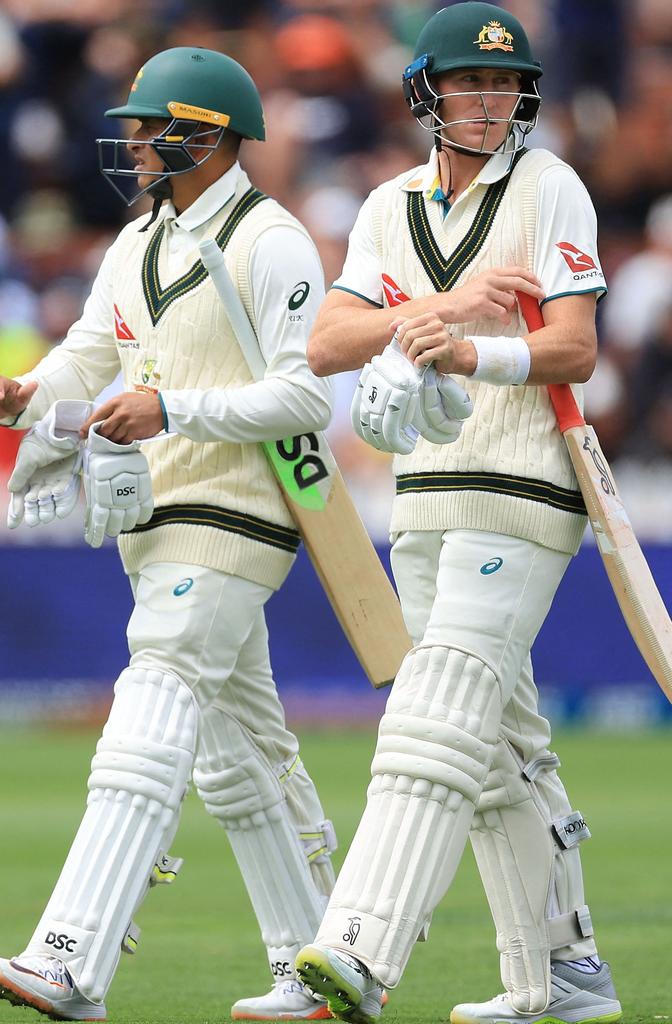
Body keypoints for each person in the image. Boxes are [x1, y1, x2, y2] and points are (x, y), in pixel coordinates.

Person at [0, 46, 357, 1023]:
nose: (133, 142)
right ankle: (318, 964)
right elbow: (83, 359)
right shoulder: (140, 238)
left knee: (150, 704)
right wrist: (22, 396)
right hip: (153, 514)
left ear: (207, 135)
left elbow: (305, 393)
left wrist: (171, 407)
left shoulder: (271, 240)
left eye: (148, 127)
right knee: (239, 756)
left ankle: (69, 960)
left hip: (236, 511)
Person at [294, 5, 623, 1024]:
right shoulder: (391, 204)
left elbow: (575, 349)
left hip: (524, 489)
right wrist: (440, 310)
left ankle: (356, 952)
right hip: (425, 495)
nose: (490, 101)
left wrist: (479, 345)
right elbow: (329, 344)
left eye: (505, 85)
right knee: (494, 749)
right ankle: (563, 976)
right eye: (469, 85)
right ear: (425, 93)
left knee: (433, 721)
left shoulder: (551, 185)